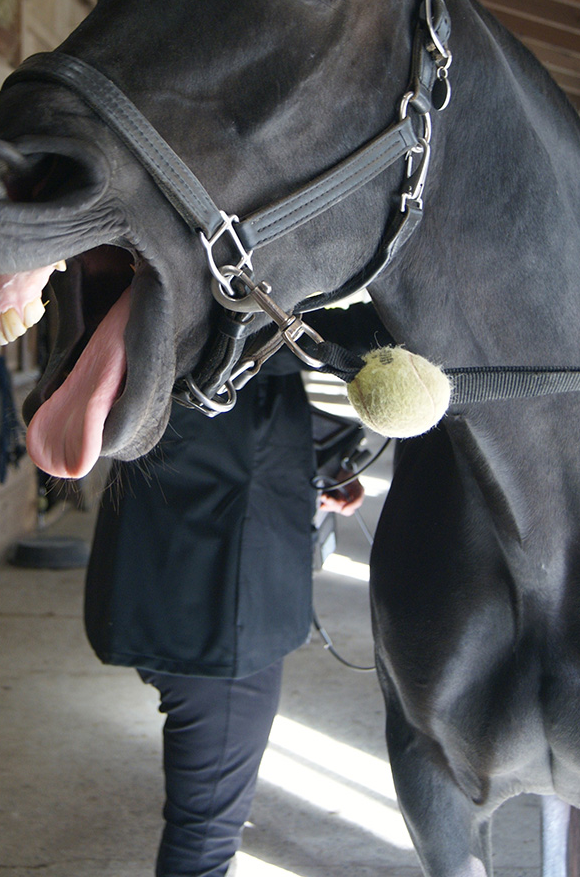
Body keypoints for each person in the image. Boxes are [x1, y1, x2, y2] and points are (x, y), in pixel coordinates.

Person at [85, 304, 381, 877]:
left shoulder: (185, 325)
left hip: (176, 597)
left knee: (207, 817)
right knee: (204, 836)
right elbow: (311, 345)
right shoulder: (220, 326)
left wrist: (323, 462)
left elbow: (254, 408)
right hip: (215, 619)